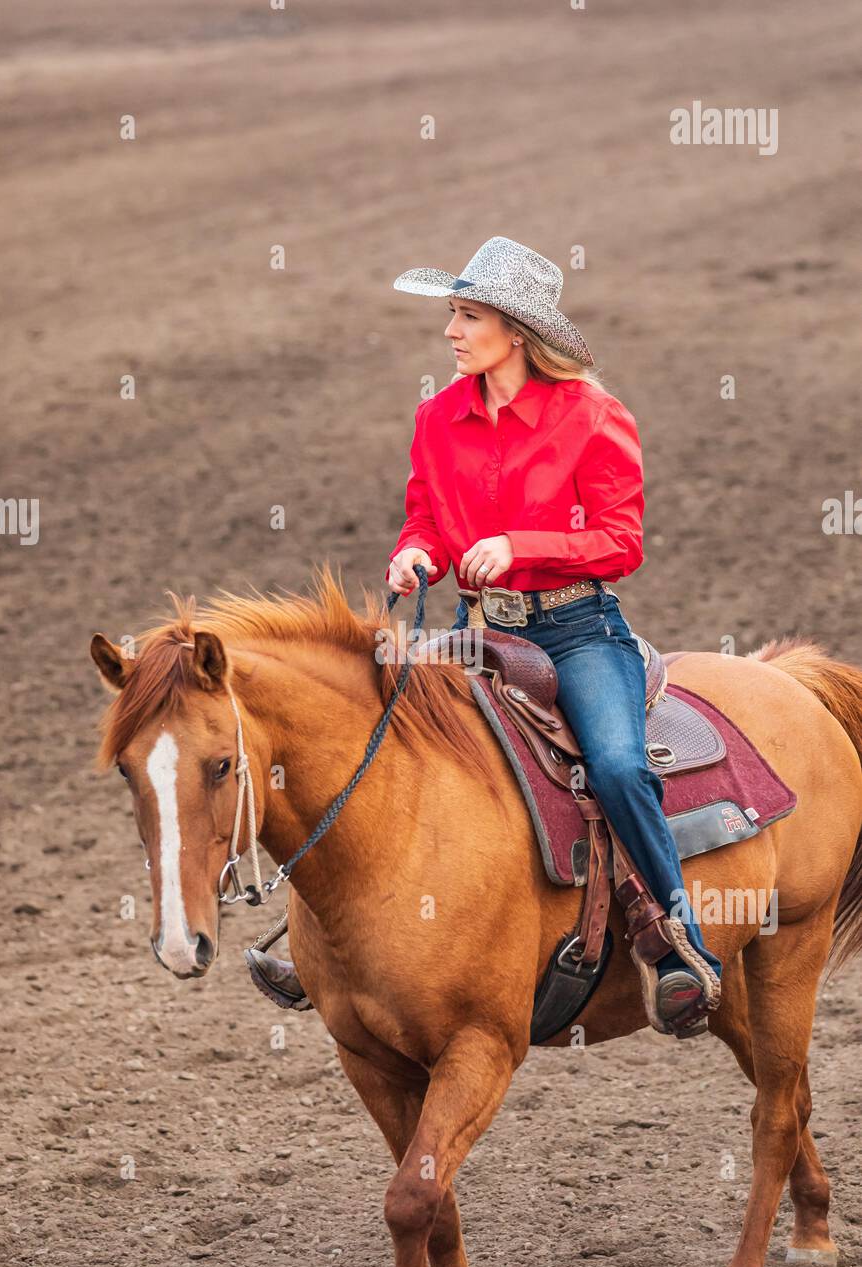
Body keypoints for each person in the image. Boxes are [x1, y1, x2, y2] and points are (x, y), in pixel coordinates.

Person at [249, 235, 722, 1037]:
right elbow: (427, 518)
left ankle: (680, 945)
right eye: (453, 314)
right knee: (373, 737)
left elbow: (621, 541)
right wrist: (415, 555)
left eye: (467, 316)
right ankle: (328, 943)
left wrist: (521, 547)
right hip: (479, 632)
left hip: (577, 631)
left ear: (516, 330)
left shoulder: (594, 417)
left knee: (616, 765)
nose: (451, 331)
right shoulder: (438, 417)